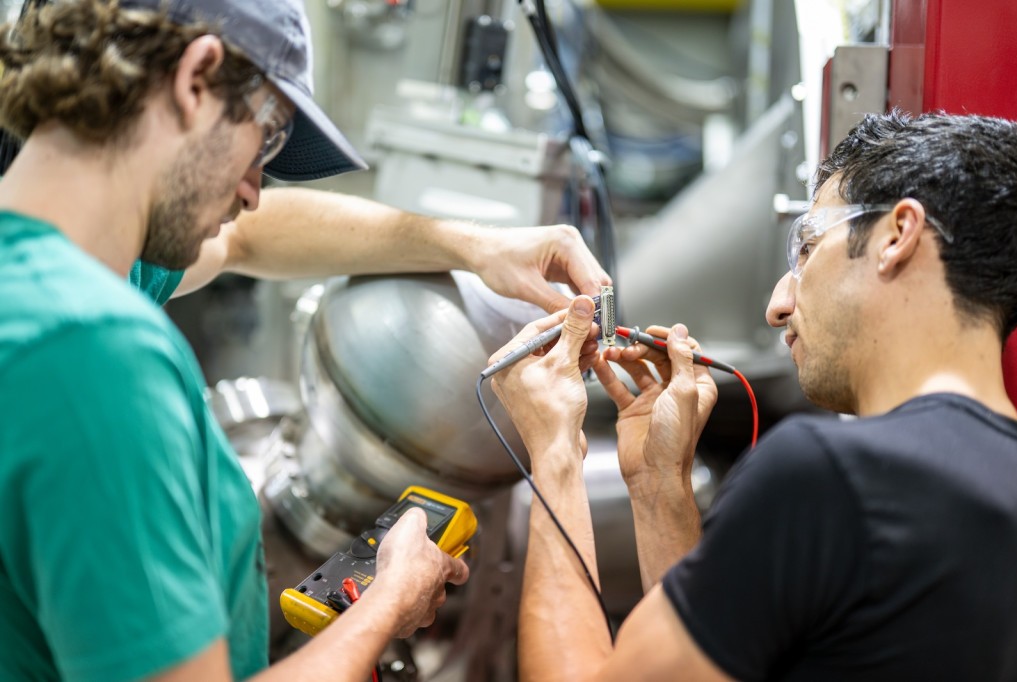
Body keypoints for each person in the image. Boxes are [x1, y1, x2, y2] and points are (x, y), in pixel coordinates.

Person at [0, 2, 608, 682]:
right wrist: (388, 604)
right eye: (263, 142)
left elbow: (244, 238)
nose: (255, 190)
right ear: (195, 76)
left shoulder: (58, 272)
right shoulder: (96, 353)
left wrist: (471, 246)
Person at [489, 110, 1017, 680]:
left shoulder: (832, 477)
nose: (778, 306)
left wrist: (554, 453)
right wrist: (658, 488)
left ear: (896, 236)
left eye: (809, 247)